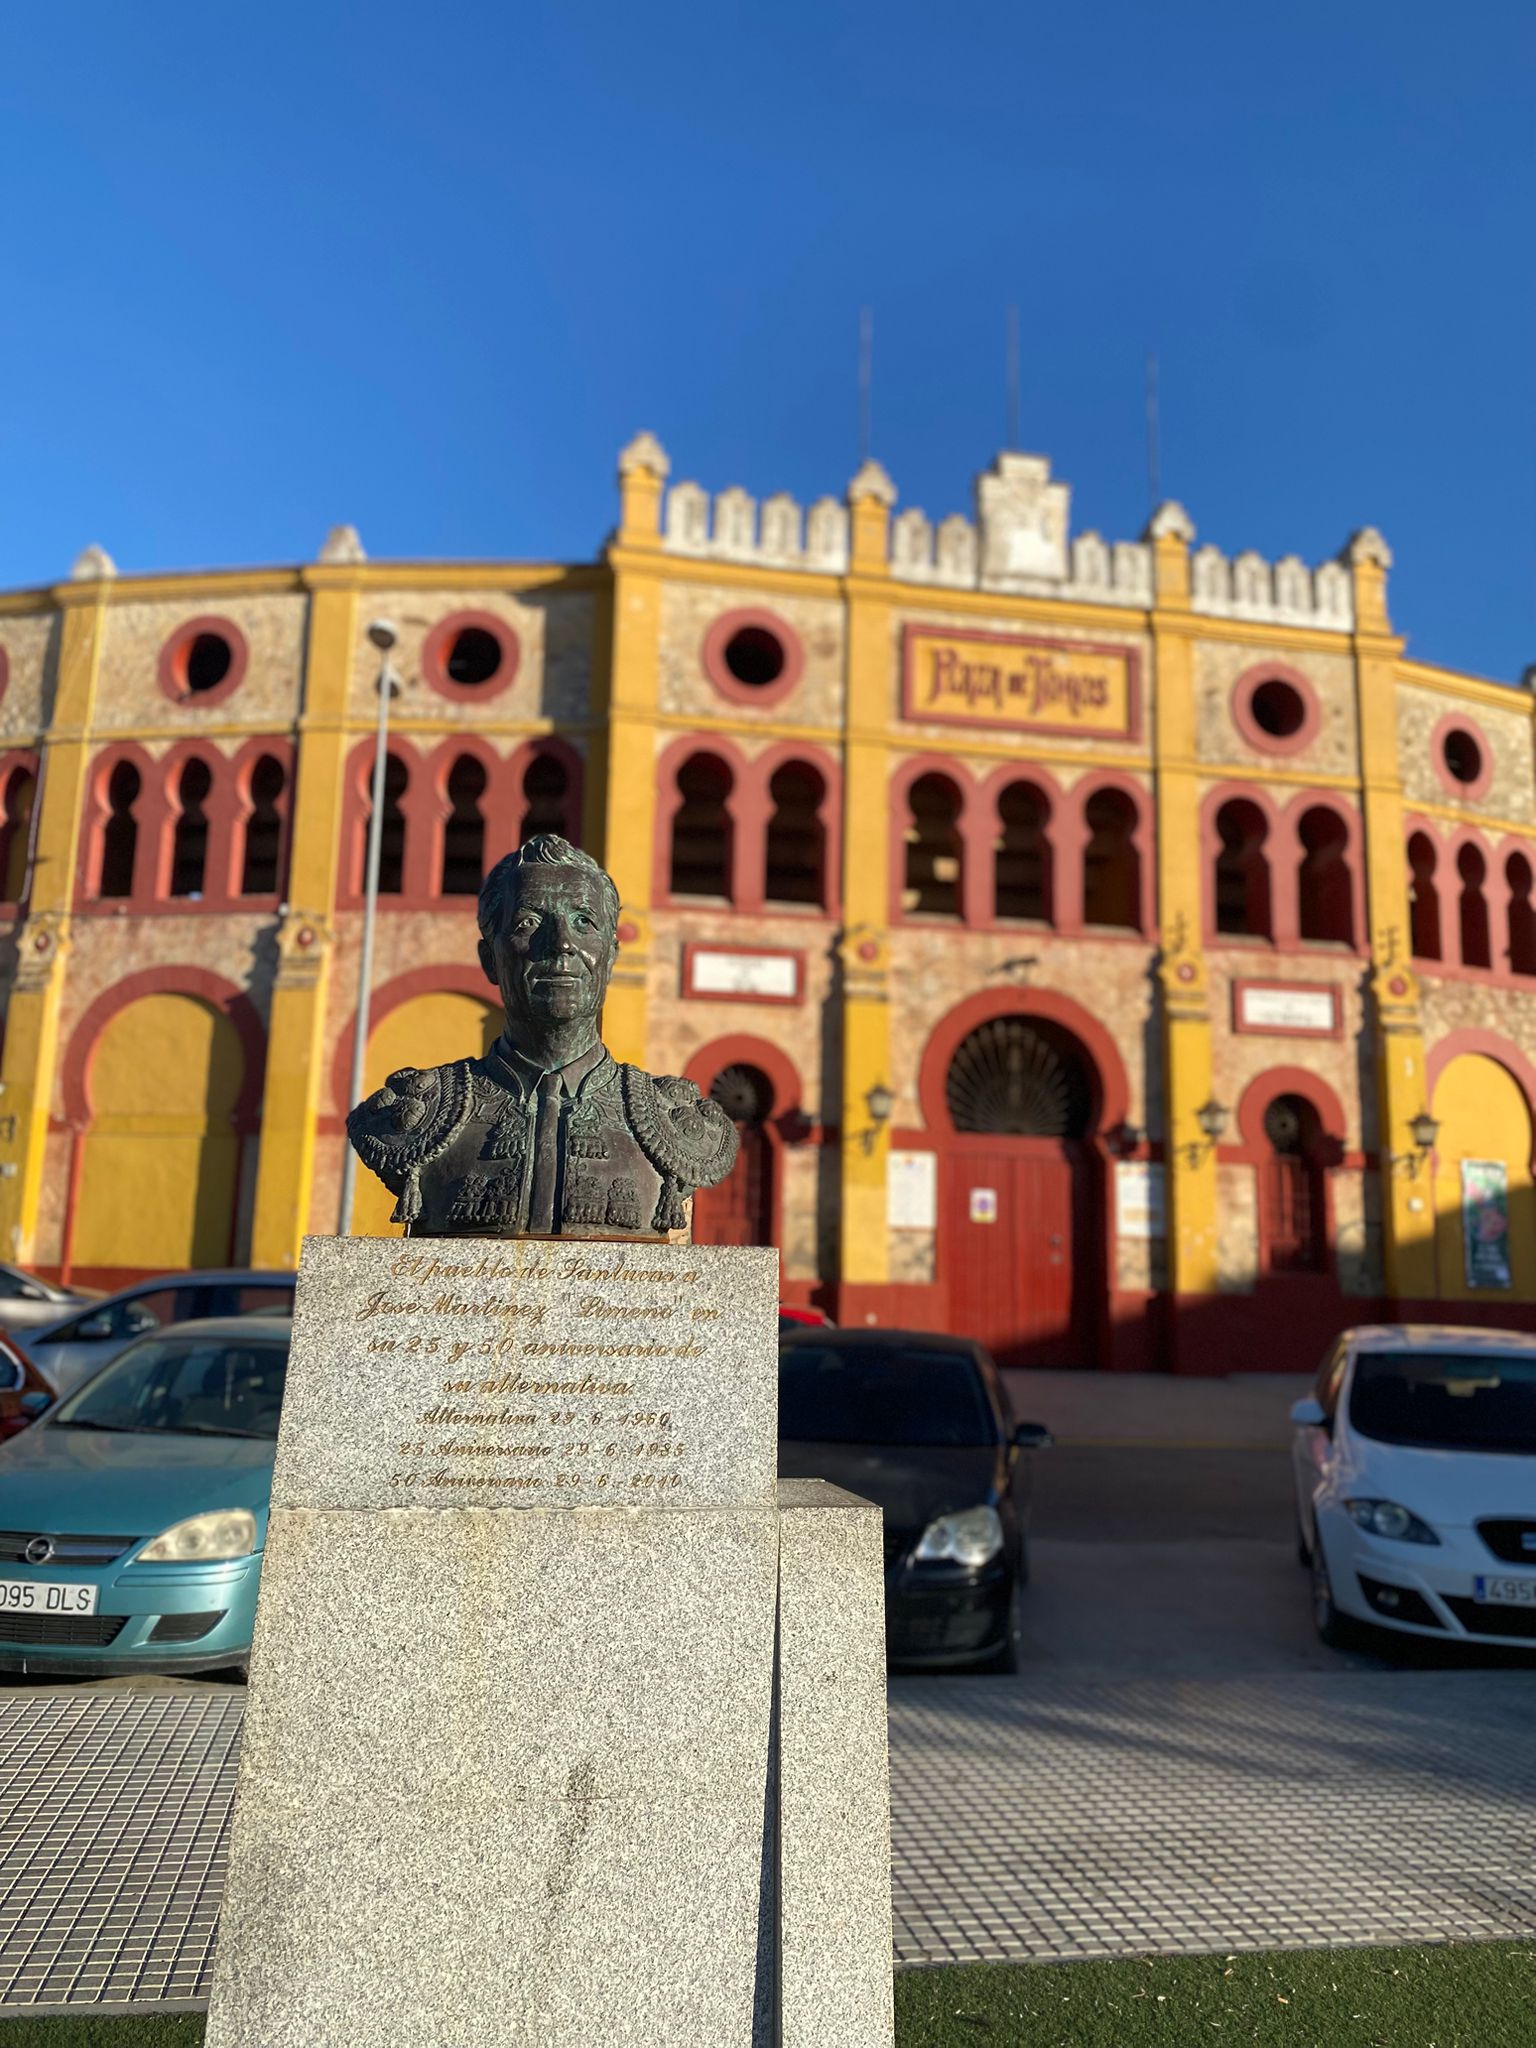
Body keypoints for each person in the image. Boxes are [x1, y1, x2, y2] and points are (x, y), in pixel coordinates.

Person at [347, 835, 737, 1237]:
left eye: (584, 922)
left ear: (611, 958)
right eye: (528, 923)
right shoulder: (414, 1114)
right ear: (490, 960)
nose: (562, 944)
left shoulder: (669, 1118)